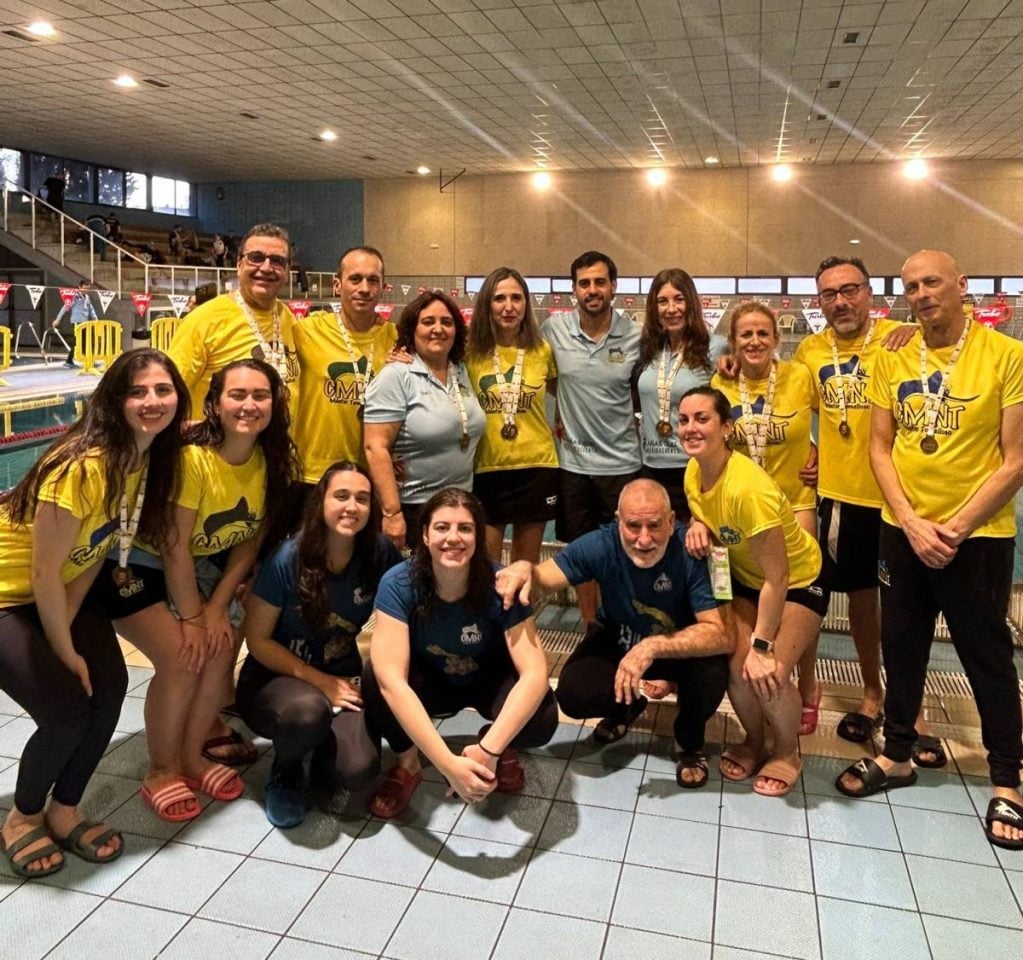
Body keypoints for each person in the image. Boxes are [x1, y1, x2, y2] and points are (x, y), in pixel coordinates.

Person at [837, 249, 1023, 851]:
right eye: (911, 286)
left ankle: (1007, 778)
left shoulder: (1007, 355)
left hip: (978, 536)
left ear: (961, 285)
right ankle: (896, 754)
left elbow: (1016, 459)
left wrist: (957, 527)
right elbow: (879, 447)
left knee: (987, 654)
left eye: (932, 282)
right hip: (904, 530)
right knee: (902, 644)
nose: (921, 294)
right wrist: (912, 523)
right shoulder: (893, 358)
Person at [0, 348, 186, 877]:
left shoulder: (141, 460)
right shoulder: (81, 466)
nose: (152, 401)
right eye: (137, 391)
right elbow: (42, 572)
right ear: (114, 401)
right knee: (65, 712)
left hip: (57, 591)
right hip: (7, 596)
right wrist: (65, 652)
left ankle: (65, 808)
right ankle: (22, 816)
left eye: (163, 390)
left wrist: (72, 631)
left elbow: (92, 555)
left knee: (108, 689)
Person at [88, 358, 300, 818]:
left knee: (220, 652)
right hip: (132, 566)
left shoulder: (268, 460)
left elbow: (248, 544)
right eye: (237, 395)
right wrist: (195, 618)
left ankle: (189, 757)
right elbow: (174, 547)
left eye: (260, 396)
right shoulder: (193, 460)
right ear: (215, 404)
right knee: (182, 658)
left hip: (192, 570)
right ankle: (161, 769)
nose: (248, 405)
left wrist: (217, 607)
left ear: (274, 403)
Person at [497, 478, 733, 786]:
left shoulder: (695, 551)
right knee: (574, 694)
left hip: (677, 651)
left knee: (712, 675)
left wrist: (651, 647)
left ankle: (688, 742)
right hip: (618, 643)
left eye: (654, 525)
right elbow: (543, 577)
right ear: (618, 521)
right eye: (633, 526)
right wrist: (524, 570)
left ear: (671, 520)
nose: (644, 539)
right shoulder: (600, 544)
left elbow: (722, 635)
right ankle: (627, 706)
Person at [791, 257, 931, 750]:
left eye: (850, 290)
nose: (841, 302)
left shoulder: (901, 339)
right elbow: (789, 405)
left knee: (907, 607)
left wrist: (916, 328)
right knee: (862, 602)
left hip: (900, 498)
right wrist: (810, 447)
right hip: (841, 496)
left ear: (870, 293)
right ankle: (872, 694)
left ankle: (911, 708)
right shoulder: (810, 351)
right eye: (829, 294)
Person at [363, 488, 558, 819]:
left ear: (478, 537)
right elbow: (392, 682)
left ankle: (500, 746)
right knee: (375, 677)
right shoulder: (399, 584)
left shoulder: (501, 584)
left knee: (542, 715)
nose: (453, 537)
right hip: (429, 682)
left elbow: (536, 672)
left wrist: (488, 750)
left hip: (486, 681)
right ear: (425, 535)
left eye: (465, 528)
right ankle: (408, 764)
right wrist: (448, 765)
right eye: (442, 527)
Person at [237, 462, 401, 828]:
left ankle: (319, 749)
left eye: (362, 498)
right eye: (341, 496)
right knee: (308, 711)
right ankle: (286, 770)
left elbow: (418, 588)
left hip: (341, 677)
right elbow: (257, 640)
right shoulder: (287, 558)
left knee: (359, 770)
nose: (352, 506)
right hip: (274, 680)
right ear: (320, 502)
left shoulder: (378, 553)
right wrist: (319, 681)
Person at [681, 387, 827, 797]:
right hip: (747, 580)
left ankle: (786, 751)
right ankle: (754, 740)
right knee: (736, 664)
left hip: (799, 582)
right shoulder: (693, 471)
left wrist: (762, 646)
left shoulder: (748, 489)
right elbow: (707, 517)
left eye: (702, 419)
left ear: (727, 428)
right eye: (684, 419)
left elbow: (778, 578)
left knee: (769, 671)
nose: (691, 428)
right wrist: (698, 525)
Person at [711, 301, 820, 732]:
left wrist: (822, 454)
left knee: (800, 594)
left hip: (795, 502)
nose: (754, 341)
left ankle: (807, 681)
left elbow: (843, 424)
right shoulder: (720, 382)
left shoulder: (800, 377)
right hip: (744, 510)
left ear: (776, 339)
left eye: (762, 333)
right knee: (754, 594)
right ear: (733, 342)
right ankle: (763, 671)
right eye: (745, 334)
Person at [542, 251, 641, 629]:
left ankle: (624, 621)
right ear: (574, 289)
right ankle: (590, 626)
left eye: (600, 282)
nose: (592, 289)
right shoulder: (554, 330)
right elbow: (548, 379)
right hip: (574, 465)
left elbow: (642, 391)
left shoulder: (635, 335)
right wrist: (567, 407)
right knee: (581, 550)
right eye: (584, 283)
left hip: (623, 463)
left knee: (626, 547)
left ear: (614, 287)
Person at [364, 291, 485, 550]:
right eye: (428, 322)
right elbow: (375, 446)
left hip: (460, 505)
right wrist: (392, 513)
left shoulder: (461, 370)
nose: (438, 329)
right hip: (412, 508)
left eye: (446, 322)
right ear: (412, 330)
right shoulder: (397, 375)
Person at [464, 267, 558, 564]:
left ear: (526, 303)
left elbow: (564, 392)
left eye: (516, 298)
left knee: (524, 567)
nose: (509, 307)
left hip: (537, 465)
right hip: (487, 467)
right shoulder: (469, 353)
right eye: (499, 298)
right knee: (487, 566)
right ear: (486, 304)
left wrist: (562, 420)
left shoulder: (542, 350)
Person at [167, 222, 299, 417]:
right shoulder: (203, 320)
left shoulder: (288, 318)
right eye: (256, 258)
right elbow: (168, 396)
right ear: (239, 264)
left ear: (287, 271)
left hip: (280, 436)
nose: (266, 267)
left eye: (277, 261)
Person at [293, 247, 396, 491]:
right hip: (311, 474)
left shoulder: (396, 337)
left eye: (373, 280)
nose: (364, 288)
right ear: (337, 285)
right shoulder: (306, 330)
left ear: (383, 287)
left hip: (370, 474)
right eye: (355, 279)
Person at [634, 267, 727, 520]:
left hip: (695, 467)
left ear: (691, 303)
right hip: (651, 466)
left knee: (697, 539)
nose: (671, 308)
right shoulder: (649, 349)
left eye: (679, 299)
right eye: (662, 301)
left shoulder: (716, 348)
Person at [52, 280, 98, 368]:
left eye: (88, 289)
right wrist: (57, 320)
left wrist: (96, 319)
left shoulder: (87, 297)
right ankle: (69, 360)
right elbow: (65, 307)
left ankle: (89, 360)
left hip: (85, 323)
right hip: (77, 322)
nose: (86, 290)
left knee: (86, 341)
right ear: (79, 287)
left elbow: (91, 309)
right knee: (78, 342)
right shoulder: (74, 296)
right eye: (84, 288)